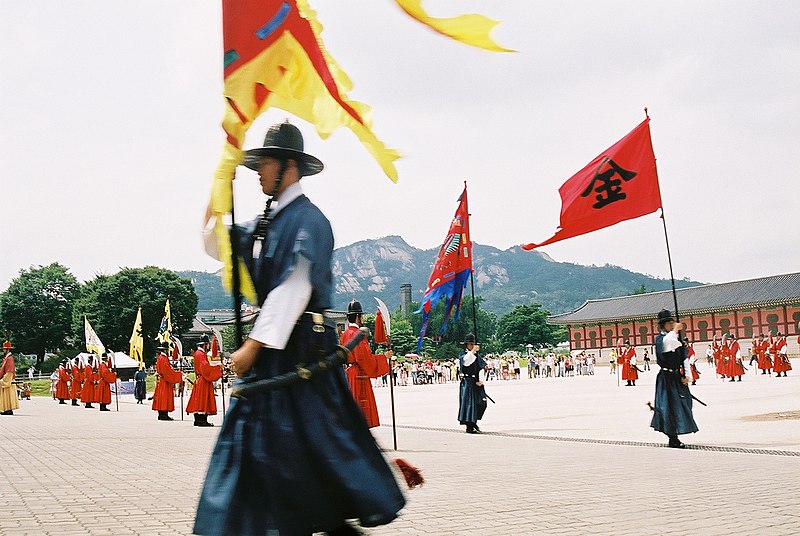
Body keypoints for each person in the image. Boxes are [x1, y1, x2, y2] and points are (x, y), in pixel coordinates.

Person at [194, 121, 405, 535]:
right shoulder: (263, 223)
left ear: (289, 166)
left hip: (300, 354)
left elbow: (293, 288)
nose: (258, 172)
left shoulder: (310, 220)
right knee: (275, 459)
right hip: (274, 359)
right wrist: (218, 185)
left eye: (265, 163)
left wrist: (252, 348)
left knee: (303, 456)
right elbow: (211, 243)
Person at [650, 310, 698, 448]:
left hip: (677, 377)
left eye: (673, 323)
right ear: (663, 325)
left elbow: (684, 358)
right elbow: (668, 343)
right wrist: (676, 330)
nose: (672, 325)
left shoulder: (676, 339)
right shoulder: (661, 339)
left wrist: (688, 376)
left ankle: (677, 432)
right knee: (667, 407)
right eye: (669, 323)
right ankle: (673, 438)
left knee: (683, 404)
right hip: (666, 378)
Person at [341, 300, 391, 429]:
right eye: (362, 316)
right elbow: (365, 359)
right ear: (358, 317)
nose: (362, 318)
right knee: (361, 410)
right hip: (359, 375)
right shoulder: (356, 334)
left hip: (350, 372)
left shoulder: (345, 333)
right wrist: (384, 357)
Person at [186, 335, 222, 427]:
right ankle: (202, 420)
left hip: (199, 378)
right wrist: (218, 368)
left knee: (198, 399)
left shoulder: (197, 353)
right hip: (203, 379)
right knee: (203, 399)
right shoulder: (201, 354)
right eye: (208, 344)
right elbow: (205, 368)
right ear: (205, 345)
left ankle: (197, 419)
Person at [458, 333, 488, 434]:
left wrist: (481, 380)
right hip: (467, 382)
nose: (472, 346)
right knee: (469, 404)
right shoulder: (463, 355)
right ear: (467, 345)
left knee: (480, 403)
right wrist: (472, 352)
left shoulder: (477, 356)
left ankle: (474, 421)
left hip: (476, 381)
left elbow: (482, 367)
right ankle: (469, 425)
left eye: (473, 344)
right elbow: (467, 362)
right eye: (470, 344)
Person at [152, 344, 183, 421]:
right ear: (165, 350)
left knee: (161, 397)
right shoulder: (164, 359)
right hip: (165, 380)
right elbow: (167, 371)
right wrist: (178, 374)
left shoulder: (160, 358)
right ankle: (164, 414)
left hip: (161, 380)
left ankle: (161, 414)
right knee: (165, 397)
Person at [1, 341, 19, 415]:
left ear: (7, 350)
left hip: (8, 379)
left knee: (8, 395)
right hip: (6, 378)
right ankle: (6, 409)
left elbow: (9, 371)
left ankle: (8, 409)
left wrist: (4, 380)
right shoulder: (7, 358)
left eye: (4, 349)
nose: (3, 350)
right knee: (6, 395)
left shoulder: (9, 359)